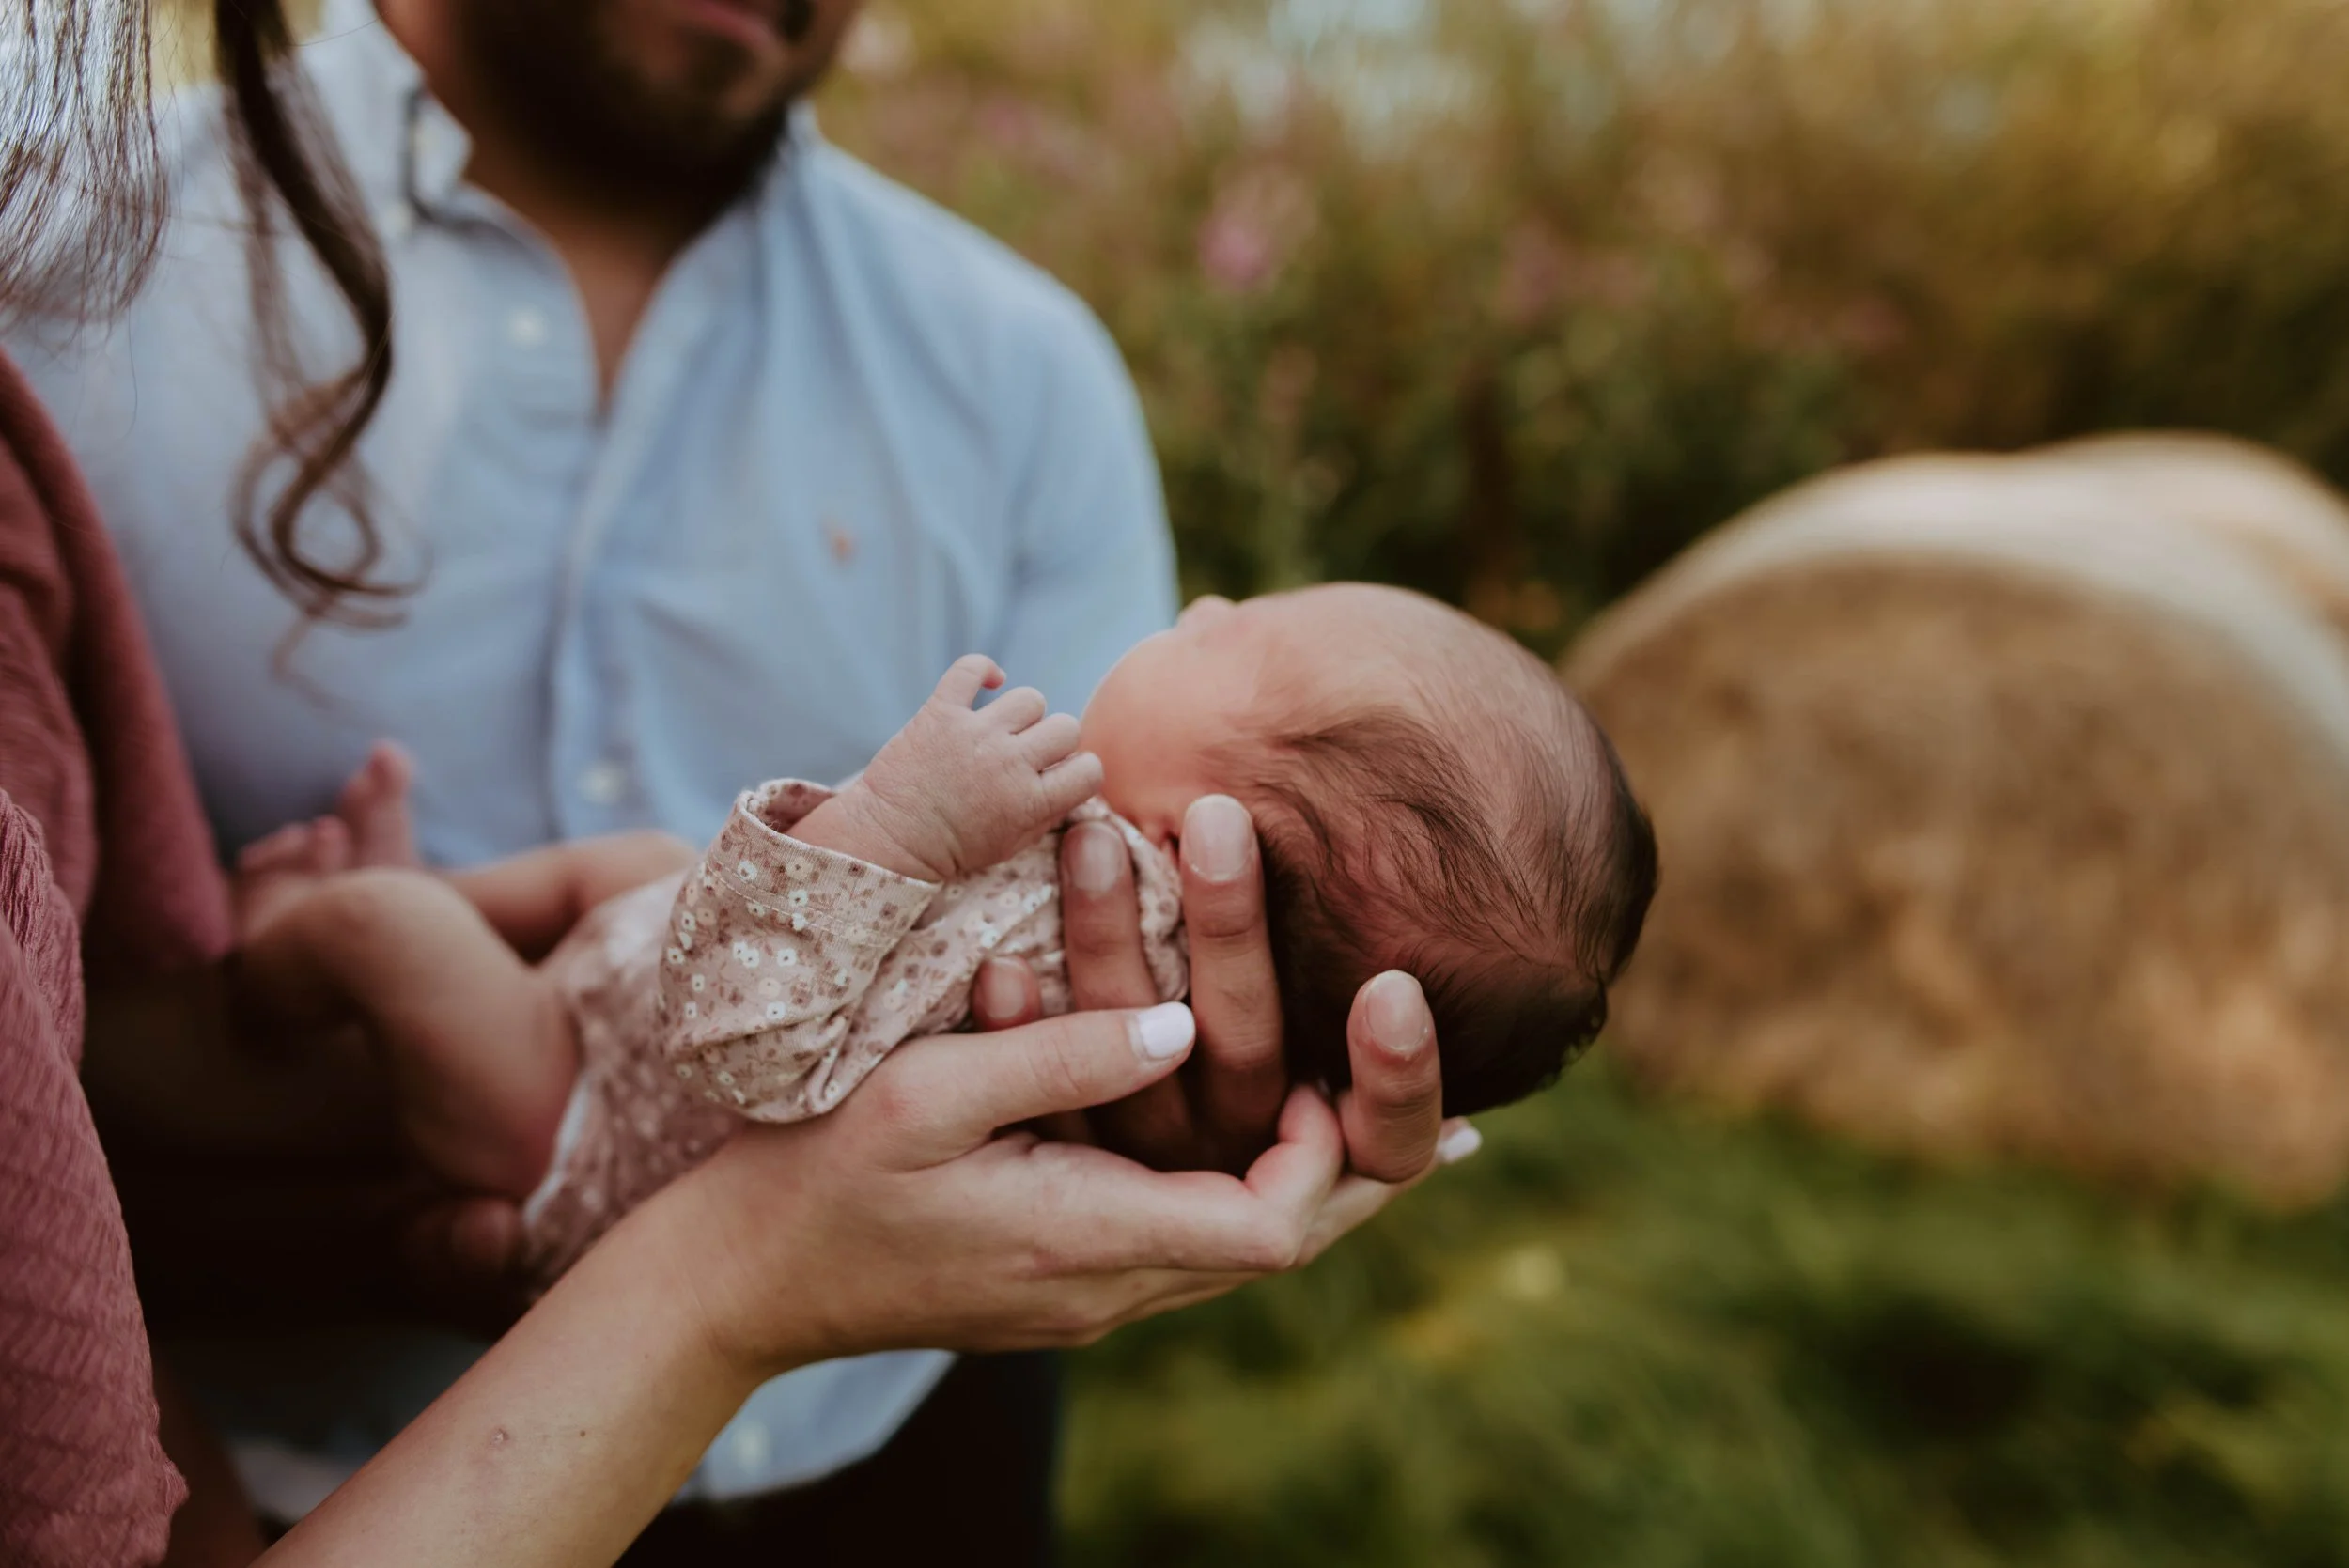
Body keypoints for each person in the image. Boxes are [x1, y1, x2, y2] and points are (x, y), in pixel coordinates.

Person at [8, 0, 1202, 1545]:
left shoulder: (1030, 379)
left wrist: (1176, 1065)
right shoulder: (54, 274)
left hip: (898, 1446)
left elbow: (1126, 907)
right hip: (273, 1482)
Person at [230, 587, 1657, 1285]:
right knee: (634, 867)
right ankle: (422, 924)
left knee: (383, 932)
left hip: (581, 1115)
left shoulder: (1063, 940)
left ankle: (281, 943)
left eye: (1238, 636)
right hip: (644, 979)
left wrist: (902, 830)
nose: (1206, 602)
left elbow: (744, 1048)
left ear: (1195, 841)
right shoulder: (1098, 906)